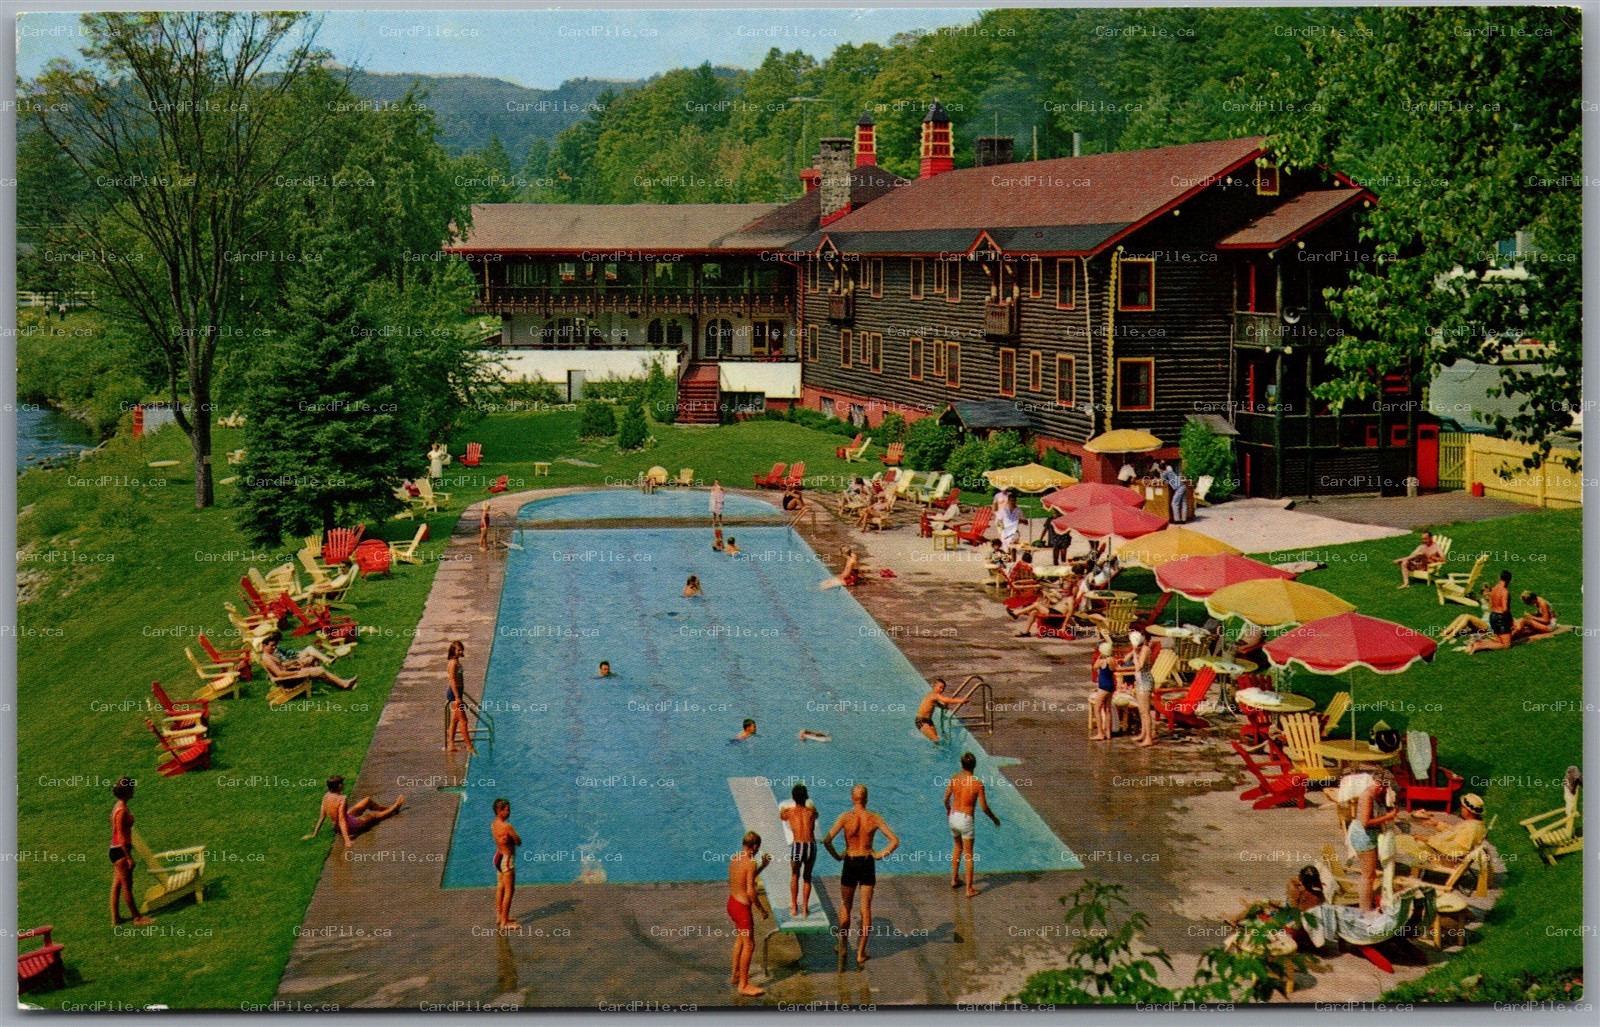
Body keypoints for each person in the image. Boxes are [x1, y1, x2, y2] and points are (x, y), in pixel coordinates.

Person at [823, 784, 899, 967]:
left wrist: (837, 856)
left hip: (850, 861)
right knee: (865, 909)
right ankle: (860, 952)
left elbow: (827, 840)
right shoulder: (874, 818)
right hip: (866, 862)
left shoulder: (845, 818)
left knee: (846, 905)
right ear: (867, 799)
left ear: (852, 798)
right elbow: (894, 841)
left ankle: (842, 944)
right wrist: (880, 855)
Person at [945, 752, 1001, 896]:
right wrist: (994, 819)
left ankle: (954, 879)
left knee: (957, 847)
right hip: (965, 819)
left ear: (961, 765)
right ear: (974, 766)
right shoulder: (977, 784)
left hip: (953, 816)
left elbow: (945, 799)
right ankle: (969, 889)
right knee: (969, 855)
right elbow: (984, 807)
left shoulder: (954, 778)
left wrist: (948, 810)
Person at [727, 831, 771, 996]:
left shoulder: (735, 858)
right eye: (758, 848)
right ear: (754, 847)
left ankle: (735, 975)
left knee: (740, 939)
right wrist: (761, 909)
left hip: (732, 904)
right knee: (750, 945)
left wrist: (762, 867)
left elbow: (741, 879)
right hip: (742, 910)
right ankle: (743, 985)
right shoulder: (750, 862)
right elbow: (750, 890)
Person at [1345, 770, 1397, 910]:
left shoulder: (1382, 793)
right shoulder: (1366, 796)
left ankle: (1370, 903)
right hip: (1363, 836)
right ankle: (1365, 910)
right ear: (1377, 783)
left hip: (1372, 835)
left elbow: (1385, 808)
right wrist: (1389, 817)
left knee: (1371, 874)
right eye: (1382, 785)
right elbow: (1365, 822)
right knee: (1367, 876)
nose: (1384, 788)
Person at [305, 775, 404, 848]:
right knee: (373, 816)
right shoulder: (342, 799)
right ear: (339, 786)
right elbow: (342, 819)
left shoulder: (326, 796)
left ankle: (387, 809)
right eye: (342, 783)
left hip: (340, 824)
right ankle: (394, 807)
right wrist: (347, 840)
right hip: (349, 826)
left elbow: (322, 816)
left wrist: (315, 833)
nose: (343, 785)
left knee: (367, 800)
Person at [109, 777, 152, 926]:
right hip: (121, 851)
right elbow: (120, 835)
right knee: (127, 886)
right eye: (132, 788)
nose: (134, 790)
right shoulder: (121, 810)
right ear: (127, 792)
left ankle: (115, 918)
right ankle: (137, 918)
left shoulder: (116, 807)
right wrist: (128, 857)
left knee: (117, 885)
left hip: (114, 849)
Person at [1397, 792, 1486, 864]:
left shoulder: (1470, 828)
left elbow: (1458, 849)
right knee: (1407, 839)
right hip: (1440, 850)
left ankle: (1388, 864)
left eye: (1462, 807)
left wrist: (1428, 839)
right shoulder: (1476, 824)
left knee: (1402, 841)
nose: (1461, 809)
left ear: (1468, 812)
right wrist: (1436, 824)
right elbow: (1454, 832)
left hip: (1444, 857)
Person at [260, 633, 358, 691]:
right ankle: (344, 684)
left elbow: (281, 666)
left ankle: (342, 683)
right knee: (320, 670)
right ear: (264, 646)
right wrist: (298, 672)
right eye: (271, 646)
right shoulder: (267, 659)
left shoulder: (269, 656)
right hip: (287, 680)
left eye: (274, 646)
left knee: (316, 667)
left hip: (288, 675)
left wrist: (292, 663)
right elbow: (279, 673)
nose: (273, 648)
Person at [780, 784, 819, 916]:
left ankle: (794, 907)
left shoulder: (790, 812)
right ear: (806, 798)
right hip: (810, 846)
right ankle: (805, 908)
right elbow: (816, 816)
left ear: (793, 798)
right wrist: (811, 806)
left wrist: (786, 807)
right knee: (807, 878)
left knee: (795, 876)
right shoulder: (811, 813)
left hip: (798, 846)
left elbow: (781, 816)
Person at [1123, 630, 1158, 747]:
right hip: (1139, 681)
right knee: (1141, 711)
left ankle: (1149, 738)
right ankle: (1143, 733)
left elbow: (1139, 667)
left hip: (1145, 681)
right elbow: (1125, 660)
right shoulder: (1138, 649)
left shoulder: (1145, 650)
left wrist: (1135, 655)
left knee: (1145, 711)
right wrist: (1133, 651)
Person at [1466, 571, 1514, 653]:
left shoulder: (1494, 589)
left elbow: (1491, 606)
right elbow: (1505, 609)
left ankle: (1478, 643)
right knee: (1506, 645)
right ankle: (1479, 646)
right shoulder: (1504, 591)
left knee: (1498, 640)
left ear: (1499, 578)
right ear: (1509, 580)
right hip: (1500, 618)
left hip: (1493, 616)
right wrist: (1509, 620)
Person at [491, 798, 521, 929]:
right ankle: (504, 922)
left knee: (500, 887)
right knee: (509, 890)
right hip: (507, 860)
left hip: (498, 857)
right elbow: (518, 842)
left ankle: (500, 916)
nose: (509, 812)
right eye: (507, 810)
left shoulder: (494, 824)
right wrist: (511, 838)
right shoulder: (507, 826)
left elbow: (499, 838)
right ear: (499, 811)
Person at [445, 640, 476, 755]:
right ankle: (469, 746)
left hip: (458, 692)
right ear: (453, 651)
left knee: (455, 719)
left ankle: (451, 744)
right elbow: (452, 680)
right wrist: (457, 697)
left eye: (461, 649)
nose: (461, 651)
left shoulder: (457, 662)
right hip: (455, 694)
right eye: (458, 650)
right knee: (464, 720)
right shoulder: (453, 663)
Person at [1088, 641, 1116, 741]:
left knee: (1097, 709)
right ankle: (1108, 732)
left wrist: (1099, 657)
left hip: (1103, 687)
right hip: (1111, 686)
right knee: (1107, 709)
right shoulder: (1113, 660)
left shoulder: (1102, 661)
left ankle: (1100, 733)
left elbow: (1095, 667)